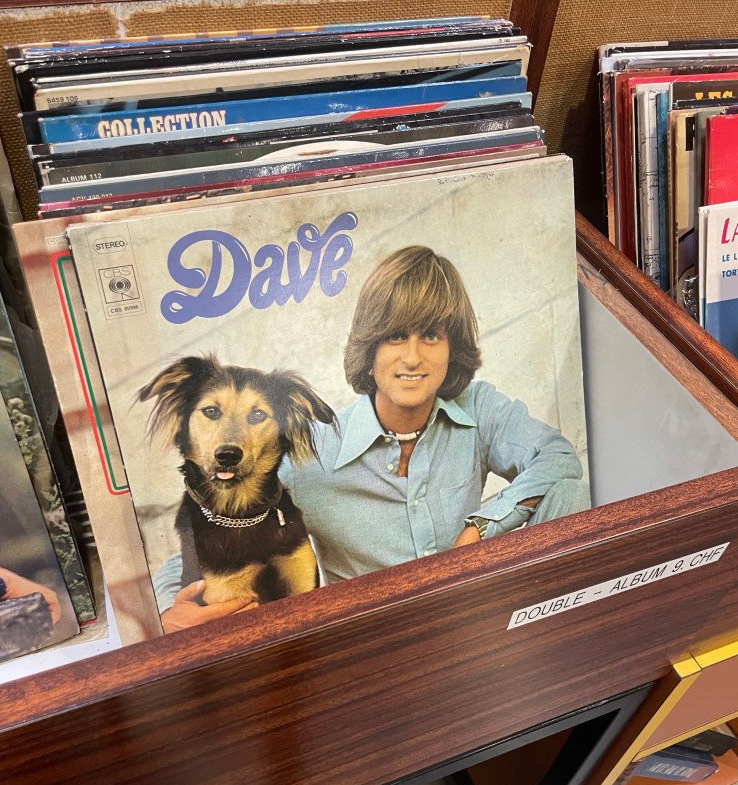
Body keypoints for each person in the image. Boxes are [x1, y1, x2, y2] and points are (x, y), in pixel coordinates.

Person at [157, 245, 588, 629]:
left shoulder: (479, 408)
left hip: (475, 618)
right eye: (396, 336)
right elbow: (212, 531)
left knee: (570, 492)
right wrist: (168, 608)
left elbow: (558, 458)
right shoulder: (315, 451)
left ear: (451, 347)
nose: (413, 358)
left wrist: (479, 530)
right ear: (370, 346)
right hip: (377, 642)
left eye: (431, 335)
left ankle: (550, 640)